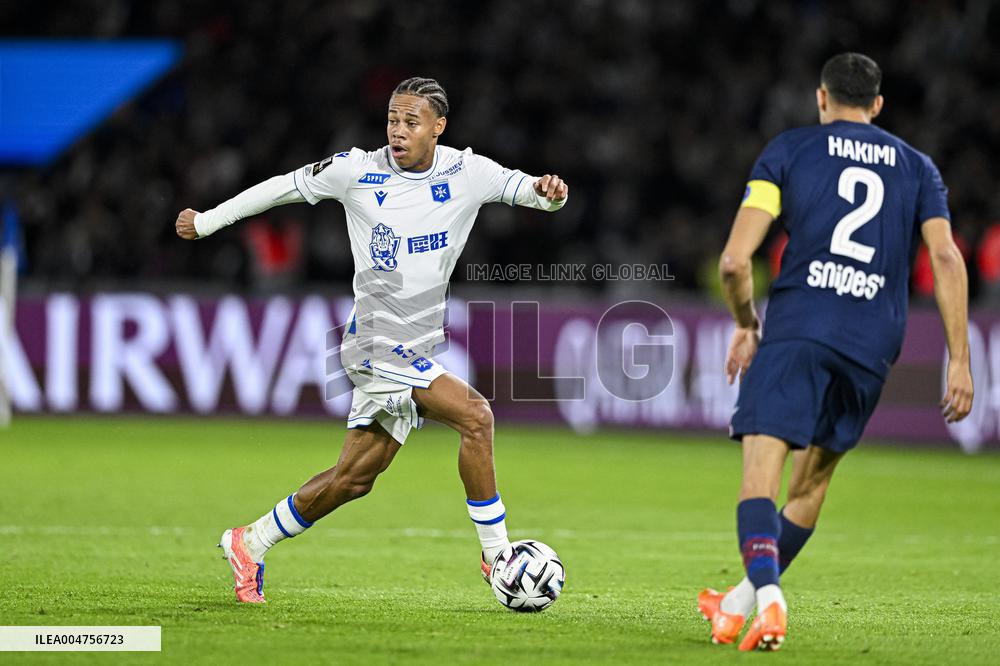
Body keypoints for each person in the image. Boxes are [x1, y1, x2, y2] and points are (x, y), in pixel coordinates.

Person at [175, 77, 569, 603]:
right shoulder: (356, 170)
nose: (397, 132)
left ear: (438, 127)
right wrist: (206, 221)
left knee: (354, 478)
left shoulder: (468, 171)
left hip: (420, 343)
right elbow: (278, 188)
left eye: (411, 122)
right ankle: (497, 554)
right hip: (375, 342)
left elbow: (533, 193)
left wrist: (551, 194)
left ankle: (250, 542)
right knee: (476, 416)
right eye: (391, 120)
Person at [698, 53, 973, 651]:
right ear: (877, 106)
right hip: (873, 343)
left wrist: (746, 322)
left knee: (760, 478)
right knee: (811, 483)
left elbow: (734, 261)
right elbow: (947, 257)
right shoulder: (919, 168)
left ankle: (769, 603)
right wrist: (960, 359)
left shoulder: (790, 151)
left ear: (821, 99)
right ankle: (735, 605)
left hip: (799, 327)